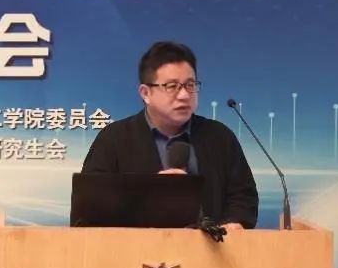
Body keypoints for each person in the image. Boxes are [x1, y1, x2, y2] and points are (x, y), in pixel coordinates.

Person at [81, 41, 258, 230]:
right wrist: (149, 196)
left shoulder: (220, 137)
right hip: (137, 248)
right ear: (146, 93)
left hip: (210, 247)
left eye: (190, 85)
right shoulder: (113, 139)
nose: (184, 95)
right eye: (172, 86)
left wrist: (234, 223)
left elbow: (243, 197)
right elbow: (90, 212)